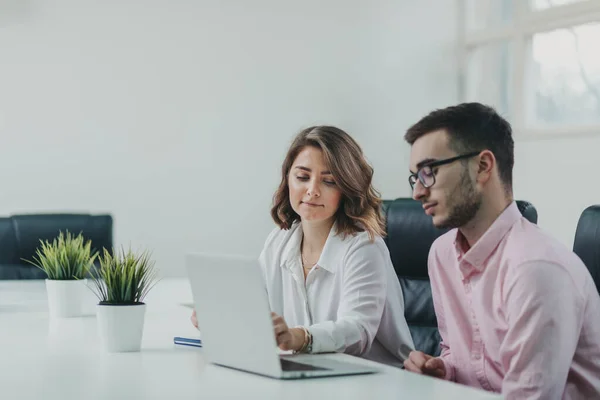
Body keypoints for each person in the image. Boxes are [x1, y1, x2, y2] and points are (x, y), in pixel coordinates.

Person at [402, 102, 600, 399]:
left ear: (483, 166)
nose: (417, 191)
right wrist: (443, 368)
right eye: (415, 176)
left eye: (429, 171)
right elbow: (460, 355)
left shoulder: (536, 269)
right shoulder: (442, 254)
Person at [193, 125, 414, 367]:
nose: (312, 191)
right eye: (302, 177)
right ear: (288, 179)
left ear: (347, 189)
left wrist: (299, 337)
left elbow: (357, 331)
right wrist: (224, 318)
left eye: (329, 181)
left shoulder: (363, 247)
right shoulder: (278, 242)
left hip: (376, 379)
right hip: (311, 373)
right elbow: (259, 317)